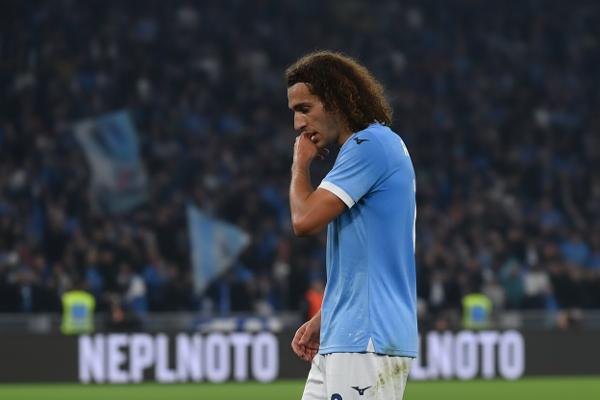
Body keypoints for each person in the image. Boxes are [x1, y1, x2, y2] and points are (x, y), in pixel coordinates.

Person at [287, 51, 418, 400]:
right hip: (346, 333)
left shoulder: (369, 145)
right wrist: (326, 316)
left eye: (304, 108)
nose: (298, 124)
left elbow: (303, 220)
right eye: (294, 112)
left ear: (335, 99)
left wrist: (300, 165)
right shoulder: (367, 148)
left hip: (367, 338)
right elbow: (365, 255)